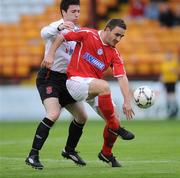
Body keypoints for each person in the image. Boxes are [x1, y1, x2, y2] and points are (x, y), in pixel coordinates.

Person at [25, 0, 134, 170]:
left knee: (82, 117)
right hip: (50, 77)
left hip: (69, 79)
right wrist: (58, 32)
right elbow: (44, 33)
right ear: (63, 12)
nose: (77, 14)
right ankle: (33, 155)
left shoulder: (80, 31)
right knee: (53, 113)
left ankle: (70, 150)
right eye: (73, 11)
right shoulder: (56, 27)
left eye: (78, 11)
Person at [160, 50, 179, 119]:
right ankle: (169, 111)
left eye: (169, 55)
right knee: (167, 97)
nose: (168, 56)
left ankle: (175, 110)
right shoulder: (164, 63)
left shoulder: (174, 63)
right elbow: (162, 72)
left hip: (172, 81)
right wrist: (162, 79)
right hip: (166, 81)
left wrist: (174, 70)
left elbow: (177, 71)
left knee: (172, 96)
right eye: (167, 55)